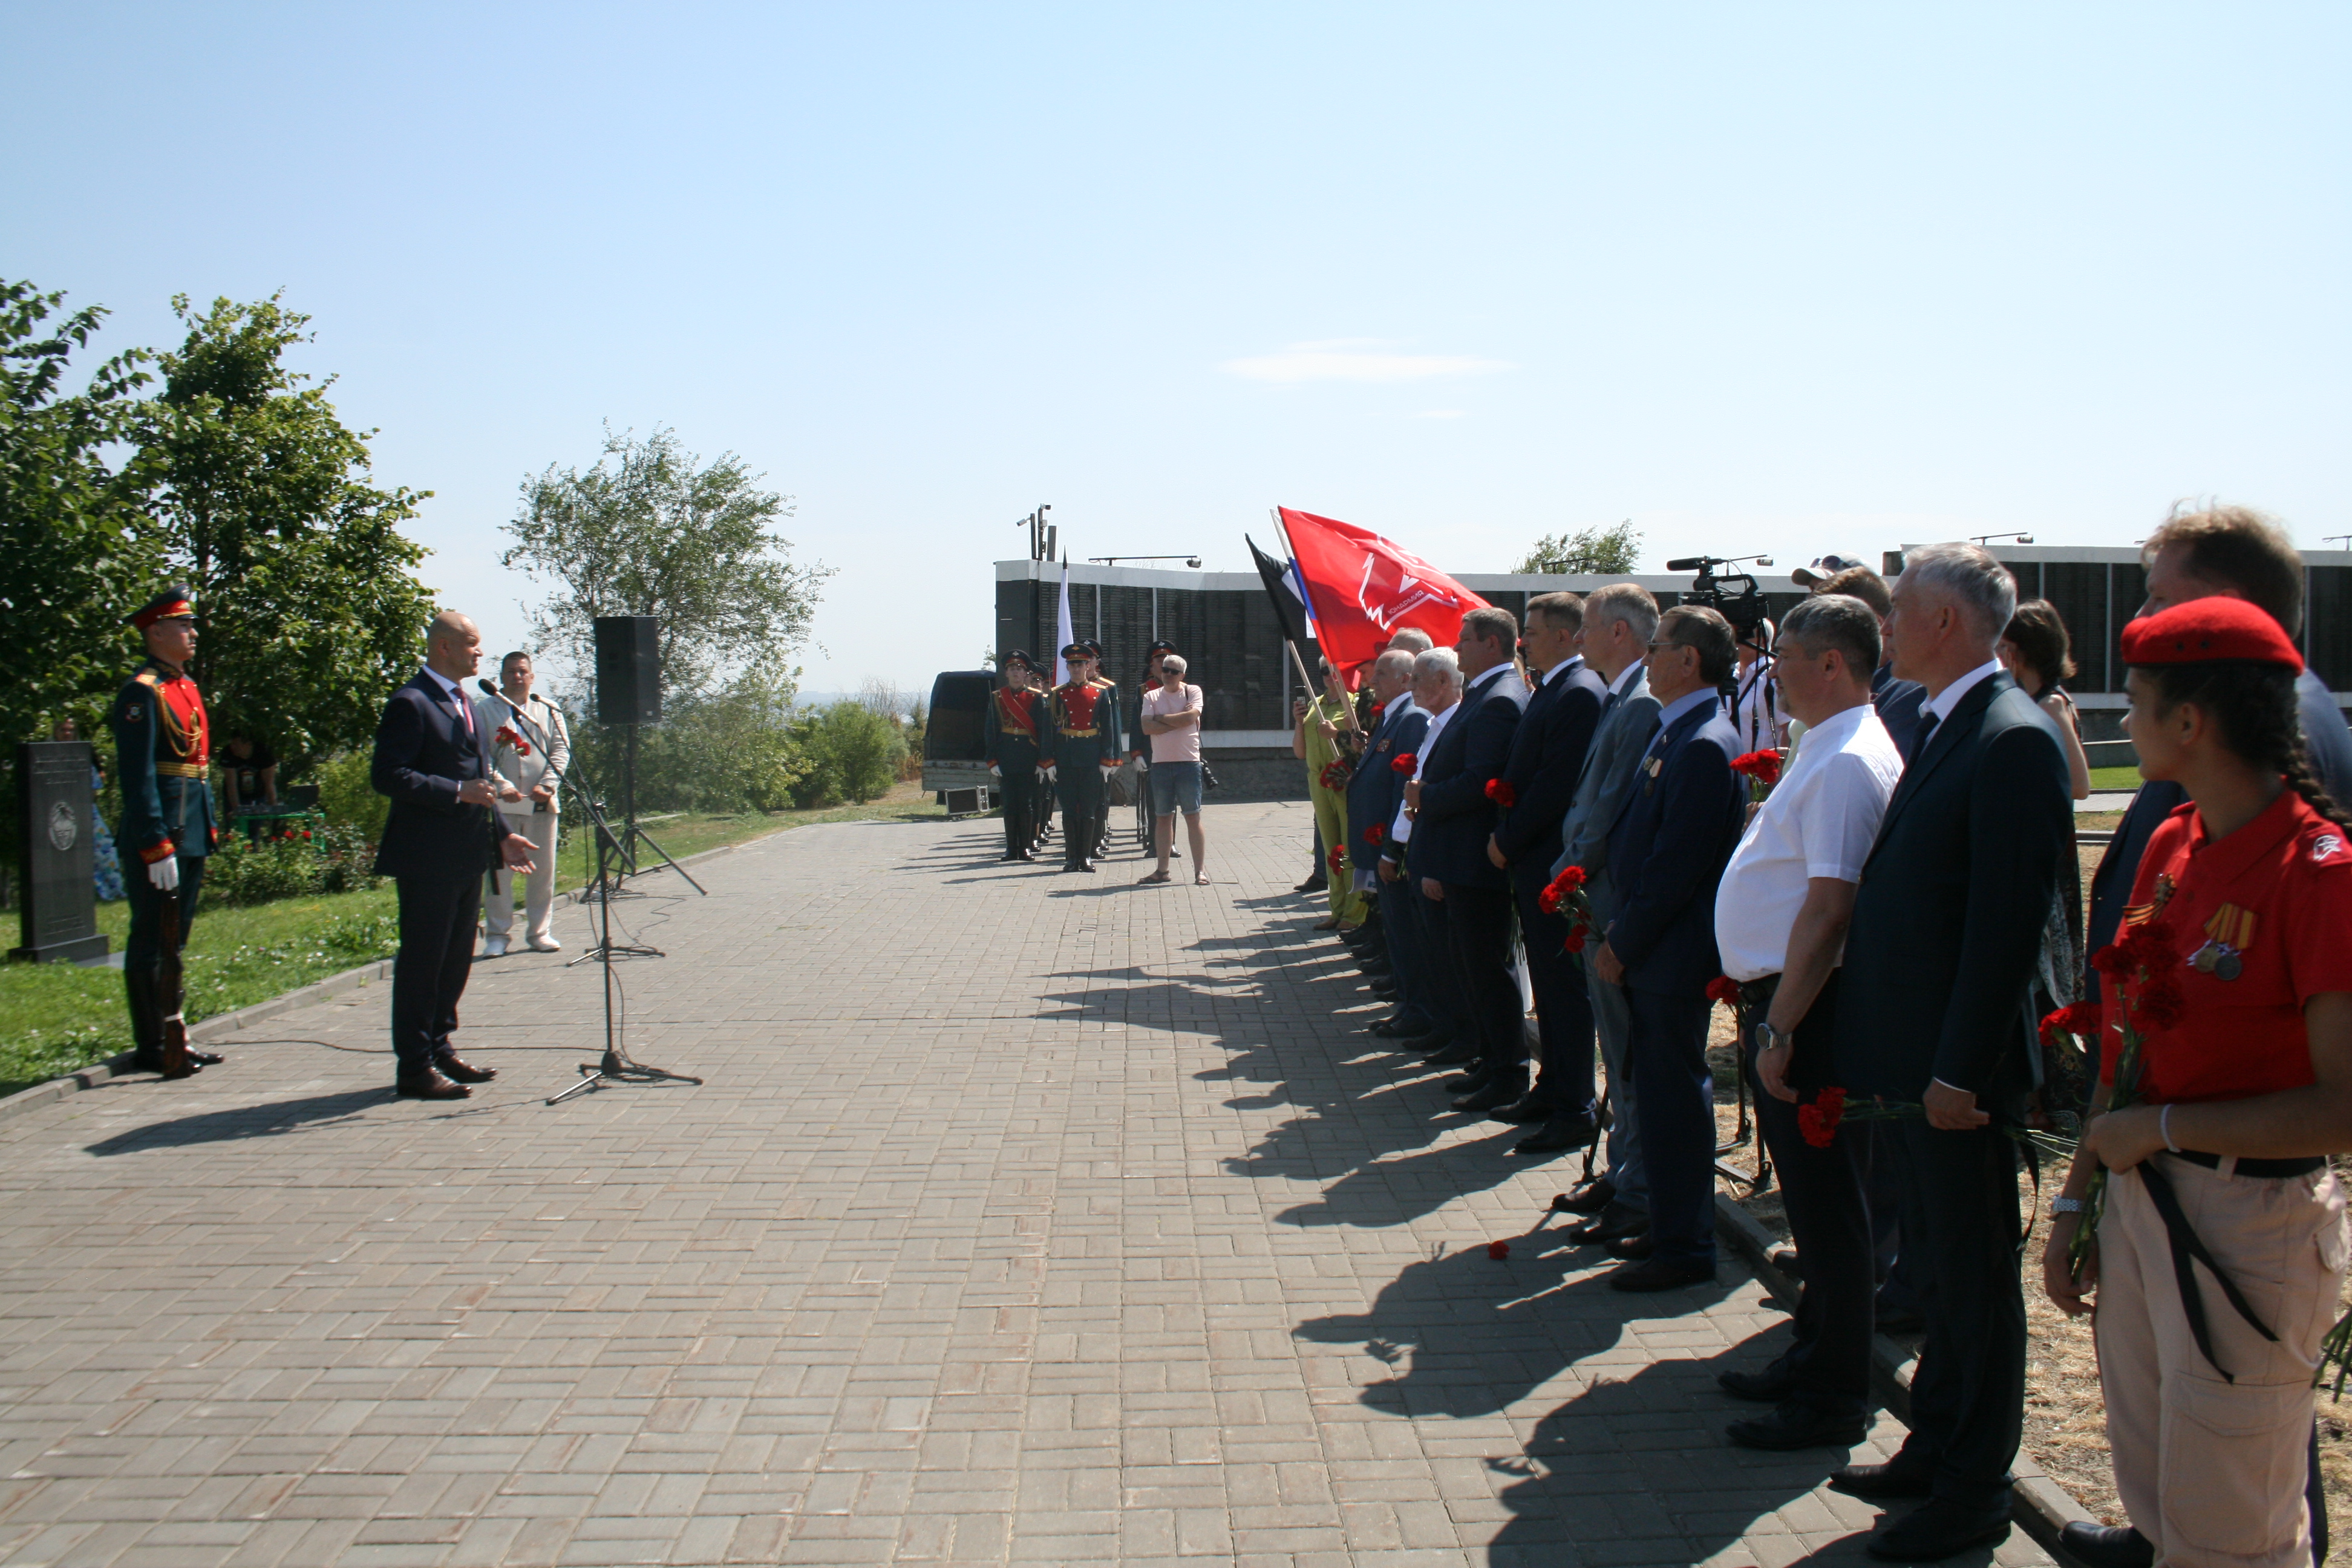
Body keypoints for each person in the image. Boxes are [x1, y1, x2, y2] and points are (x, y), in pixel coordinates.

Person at [2040, 596, 2352, 1568]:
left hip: (2249, 1225)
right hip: (2143, 1201)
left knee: (2234, 1530)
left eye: (2135, 702)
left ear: (2190, 721)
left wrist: (2163, 1129)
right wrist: (2078, 1202)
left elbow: (2343, 1108)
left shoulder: (2317, 873)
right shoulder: (2175, 842)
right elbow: (2124, 1048)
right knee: (2162, 1498)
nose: (2122, 719)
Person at [1825, 542, 2072, 1562]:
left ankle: (1974, 1489)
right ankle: (1933, 1446)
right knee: (1935, 1274)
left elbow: (2007, 930)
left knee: (1973, 1286)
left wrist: (1958, 1071)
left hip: (1952, 1077)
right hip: (1911, 1064)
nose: (1883, 626)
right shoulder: (1944, 720)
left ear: (1944, 623)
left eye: (1898, 610)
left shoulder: (2009, 738)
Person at [1713, 593, 1904, 1449]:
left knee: (1831, 1211)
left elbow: (1830, 911)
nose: (1771, 669)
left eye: (1785, 656)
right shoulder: (1824, 744)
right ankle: (1812, 1352)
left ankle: (1834, 1395)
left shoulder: (1849, 761)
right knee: (1815, 1207)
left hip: (1813, 1011)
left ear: (1831, 663)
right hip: (1792, 1003)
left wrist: (1781, 1028)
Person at [2088, 506, 2352, 1021]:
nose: (2142, 616)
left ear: (2225, 608)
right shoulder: (2268, 710)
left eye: (2160, 597)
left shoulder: (2267, 729)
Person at [1591, 606, 1746, 1291]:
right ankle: (1667, 1223)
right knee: (1657, 1100)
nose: (1647, 657)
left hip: (1670, 957)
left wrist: (1624, 942)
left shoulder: (1705, 742)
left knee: (1676, 1104)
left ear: (1689, 660)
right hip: (1654, 953)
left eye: (1657, 648)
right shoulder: (1678, 728)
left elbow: (1675, 867)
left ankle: (1685, 1246)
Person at [371, 610, 537, 1100]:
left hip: (466, 852)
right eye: (470, 643)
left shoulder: (464, 700)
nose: (479, 652)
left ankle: (440, 1047)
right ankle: (414, 1066)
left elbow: (478, 778)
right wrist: (454, 792)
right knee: (424, 961)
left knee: (454, 960)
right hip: (427, 856)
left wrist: (502, 834)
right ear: (443, 647)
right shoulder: (411, 702)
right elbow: (389, 775)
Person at [1549, 584, 1665, 1206]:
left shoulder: (1641, 704)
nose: (1579, 637)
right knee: (1616, 1051)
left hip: (1607, 896)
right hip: (1591, 894)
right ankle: (1625, 1172)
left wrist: (1565, 873)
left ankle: (1637, 1185)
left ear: (1619, 631)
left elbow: (1609, 809)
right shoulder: (1623, 695)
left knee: (1626, 1054)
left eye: (1588, 626)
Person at [1485, 593, 1607, 1150]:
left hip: (1549, 860)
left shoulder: (1578, 691)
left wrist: (1508, 840)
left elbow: (1555, 785)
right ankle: (1552, 1085)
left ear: (1562, 635)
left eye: (1531, 632)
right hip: (1533, 859)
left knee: (1564, 990)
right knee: (1551, 992)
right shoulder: (1555, 687)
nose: (1523, 642)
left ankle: (1575, 1105)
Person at [1405, 607, 1529, 1110]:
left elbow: (1484, 780)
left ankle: (1508, 1071)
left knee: (1487, 970)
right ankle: (1491, 1059)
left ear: (1492, 644)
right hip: (1460, 857)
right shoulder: (1486, 693)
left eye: (1466, 640)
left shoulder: (1499, 700)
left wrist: (1427, 796)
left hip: (1475, 859)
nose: (1457, 649)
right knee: (1473, 968)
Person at [110, 587, 224, 1077]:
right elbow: (138, 777)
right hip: (161, 835)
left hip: (190, 828)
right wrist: (155, 844)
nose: (193, 633)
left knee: (175, 940)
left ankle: (175, 1030)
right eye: (183, 625)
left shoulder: (185, 686)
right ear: (156, 632)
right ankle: (153, 1043)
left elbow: (196, 767)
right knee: (151, 938)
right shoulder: (142, 692)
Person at [1352, 650, 1432, 1038]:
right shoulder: (1392, 715)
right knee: (1397, 934)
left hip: (1394, 847)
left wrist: (1391, 848)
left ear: (1404, 679)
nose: (1372, 681)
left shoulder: (1412, 717)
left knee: (1406, 936)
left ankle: (1417, 1009)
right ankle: (1407, 1005)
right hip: (1383, 844)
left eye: (1381, 674)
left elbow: (1404, 787)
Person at [474, 650, 570, 954]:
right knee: (498, 873)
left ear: (531, 676)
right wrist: (501, 785)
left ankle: (540, 932)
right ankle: (497, 936)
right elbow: (481, 755)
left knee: (542, 872)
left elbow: (561, 751)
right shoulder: (485, 710)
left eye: (522, 671)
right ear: (501, 677)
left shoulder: (547, 709)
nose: (517, 677)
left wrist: (548, 784)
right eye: (511, 672)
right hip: (501, 807)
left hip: (541, 804)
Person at [1815, 565, 1930, 762]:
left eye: (1828, 631)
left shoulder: (1909, 694)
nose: (1818, 645)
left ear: (1874, 625)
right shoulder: (1880, 684)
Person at [1296, 659, 1367, 931]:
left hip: (1344, 778)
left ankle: (1355, 911)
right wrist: (1299, 722)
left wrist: (1337, 734)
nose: (1329, 676)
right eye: (1324, 671)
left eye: (1334, 670)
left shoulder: (1355, 703)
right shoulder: (1315, 704)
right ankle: (1337, 908)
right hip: (1318, 780)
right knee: (1331, 848)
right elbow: (1300, 752)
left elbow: (1362, 744)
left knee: (1350, 846)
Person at [1044, 642, 1120, 874]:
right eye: (1072, 665)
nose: (1076, 669)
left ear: (1088, 666)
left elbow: (1109, 728)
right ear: (1067, 667)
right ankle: (1071, 857)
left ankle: (1086, 856)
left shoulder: (1100, 692)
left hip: (1091, 756)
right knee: (1068, 810)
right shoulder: (1058, 694)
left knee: (1088, 809)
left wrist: (1107, 760)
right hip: (1066, 756)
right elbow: (1049, 730)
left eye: (1080, 664)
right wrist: (1048, 761)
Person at [1139, 653, 1209, 885]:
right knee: (1162, 818)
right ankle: (1162, 870)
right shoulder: (1151, 695)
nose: (1168, 674)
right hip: (1160, 764)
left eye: (1174, 671)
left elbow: (1190, 719)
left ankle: (1200, 872)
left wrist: (1160, 718)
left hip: (1188, 763)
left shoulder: (1192, 691)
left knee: (1192, 816)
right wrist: (1178, 720)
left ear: (1183, 675)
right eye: (1165, 670)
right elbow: (1147, 728)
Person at [984, 652, 1045, 862]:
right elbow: (991, 730)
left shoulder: (1036, 697)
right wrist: (992, 760)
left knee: (1027, 804)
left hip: (1029, 756)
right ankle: (1011, 848)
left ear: (1026, 673)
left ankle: (1026, 847)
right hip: (1007, 756)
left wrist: (1043, 760)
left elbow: (1043, 731)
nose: (1016, 673)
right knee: (1010, 804)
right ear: (1006, 673)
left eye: (1020, 669)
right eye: (1012, 669)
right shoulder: (998, 697)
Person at [1730, 615, 1784, 755]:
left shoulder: (1775, 678)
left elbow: (1788, 728)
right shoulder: (1730, 676)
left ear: (1763, 642)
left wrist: (1782, 765)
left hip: (1761, 767)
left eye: (1743, 633)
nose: (1735, 638)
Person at [218, 733, 277, 814]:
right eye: (232, 743)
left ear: (249, 744)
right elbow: (231, 785)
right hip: (235, 796)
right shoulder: (227, 753)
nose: (232, 747)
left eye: (236, 744)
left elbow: (269, 784)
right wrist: (237, 811)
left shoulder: (264, 753)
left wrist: (274, 809)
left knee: (258, 820)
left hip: (258, 796)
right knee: (233, 819)